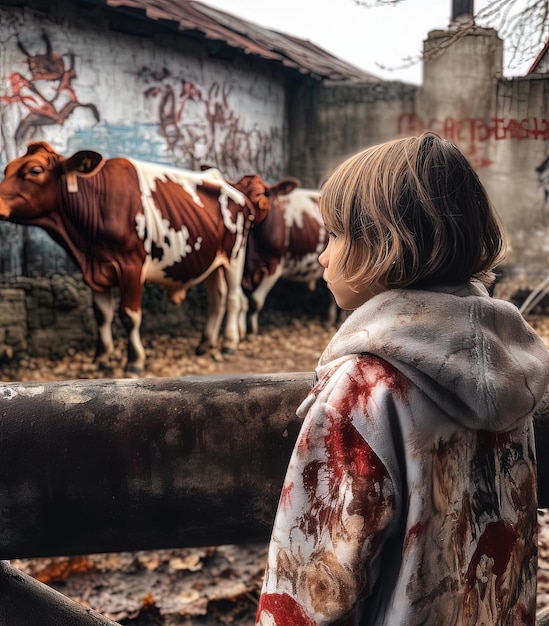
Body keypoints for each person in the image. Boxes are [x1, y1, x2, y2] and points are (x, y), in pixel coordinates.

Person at [255, 132, 549, 625]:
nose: (323, 256)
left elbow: (312, 587)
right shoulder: (509, 369)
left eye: (334, 237)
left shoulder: (365, 388)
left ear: (385, 244)